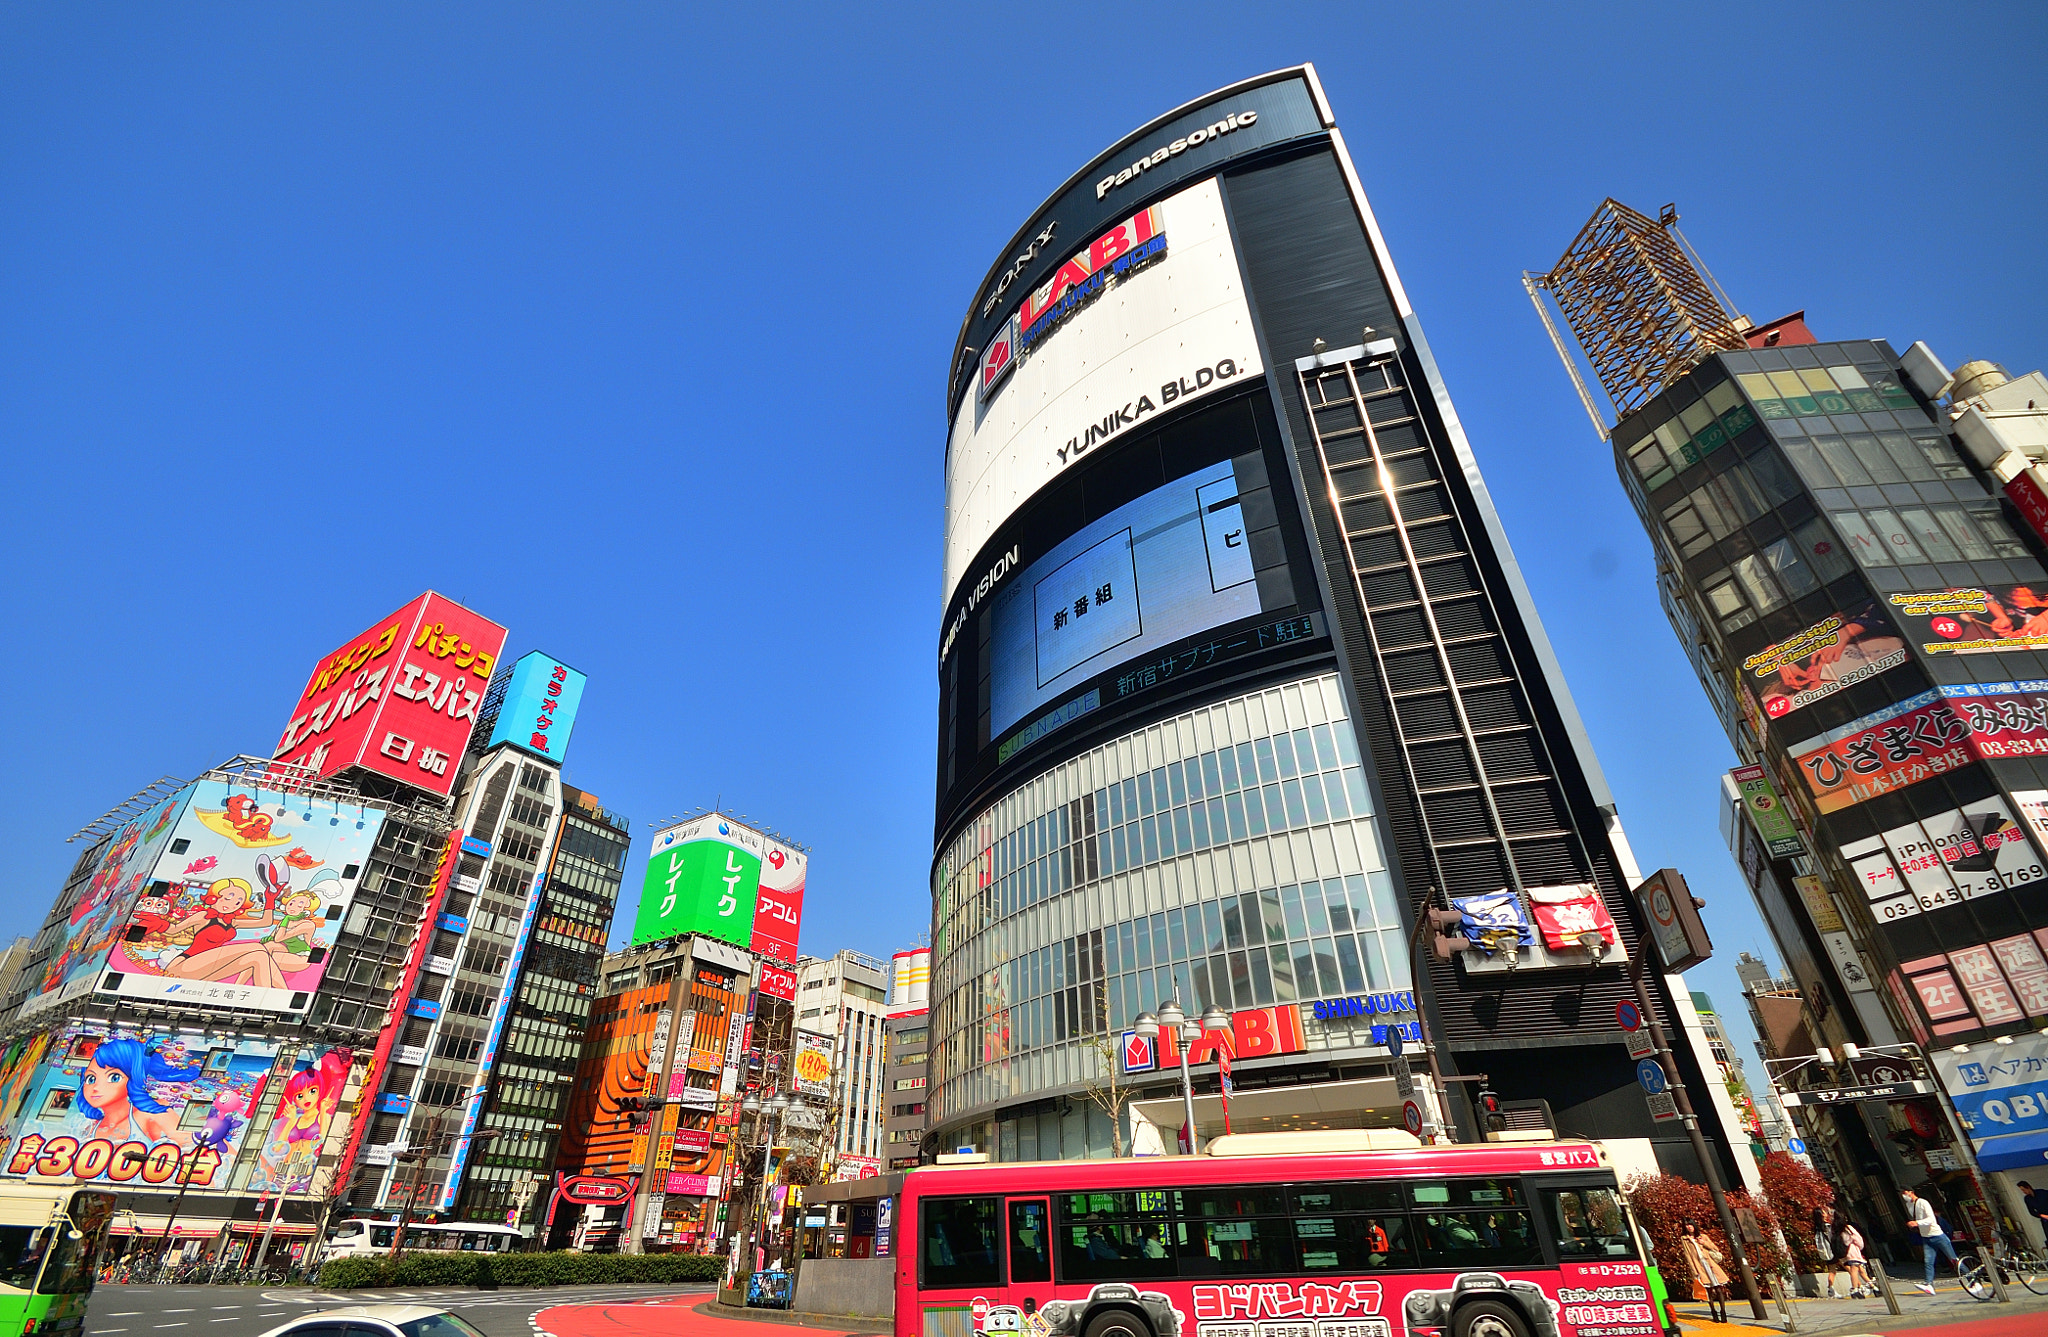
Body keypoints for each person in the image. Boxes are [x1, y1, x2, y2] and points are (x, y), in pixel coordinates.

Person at [1902, 1188, 1961, 1295]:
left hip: (1937, 1235)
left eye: (1905, 1192)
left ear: (1911, 1192)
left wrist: (1917, 1223)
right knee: (1928, 1261)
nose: (1903, 1195)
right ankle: (1929, 1284)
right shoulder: (1909, 1205)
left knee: (1953, 1260)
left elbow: (1931, 1219)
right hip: (1926, 1237)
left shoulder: (1923, 1202)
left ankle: (1972, 1279)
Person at [1680, 1222, 1731, 1324]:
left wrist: (1704, 1243)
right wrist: (1694, 1271)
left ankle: (1723, 1312)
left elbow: (1715, 1248)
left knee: (1719, 1289)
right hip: (1700, 1267)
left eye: (1690, 1224)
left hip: (1711, 1265)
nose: (1689, 1227)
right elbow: (1688, 1256)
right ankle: (1713, 1312)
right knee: (1708, 1291)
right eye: (1687, 1225)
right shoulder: (1685, 1239)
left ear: (1694, 1225)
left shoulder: (1703, 1236)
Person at [1838, 1217, 1871, 1299]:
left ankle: (1871, 1286)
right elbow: (1858, 1239)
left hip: (1844, 1252)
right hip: (1853, 1251)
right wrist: (1860, 1247)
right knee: (1855, 1269)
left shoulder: (1835, 1229)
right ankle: (1855, 1289)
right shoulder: (1848, 1228)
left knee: (1858, 1269)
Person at [1812, 1204, 1841, 1298]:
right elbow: (1832, 1238)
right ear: (1821, 1215)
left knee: (1833, 1270)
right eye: (1823, 1212)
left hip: (1827, 1252)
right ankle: (1857, 1287)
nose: (1825, 1213)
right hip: (1833, 1250)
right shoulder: (1826, 1227)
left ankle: (1831, 1289)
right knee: (1850, 1267)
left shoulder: (1817, 1228)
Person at [2019, 1180, 2048, 1249]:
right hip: (2045, 1218)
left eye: (2024, 1189)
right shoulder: (2027, 1199)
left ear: (2028, 1187)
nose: (2024, 1192)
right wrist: (2041, 1215)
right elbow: (2032, 1211)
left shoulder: (2042, 1193)